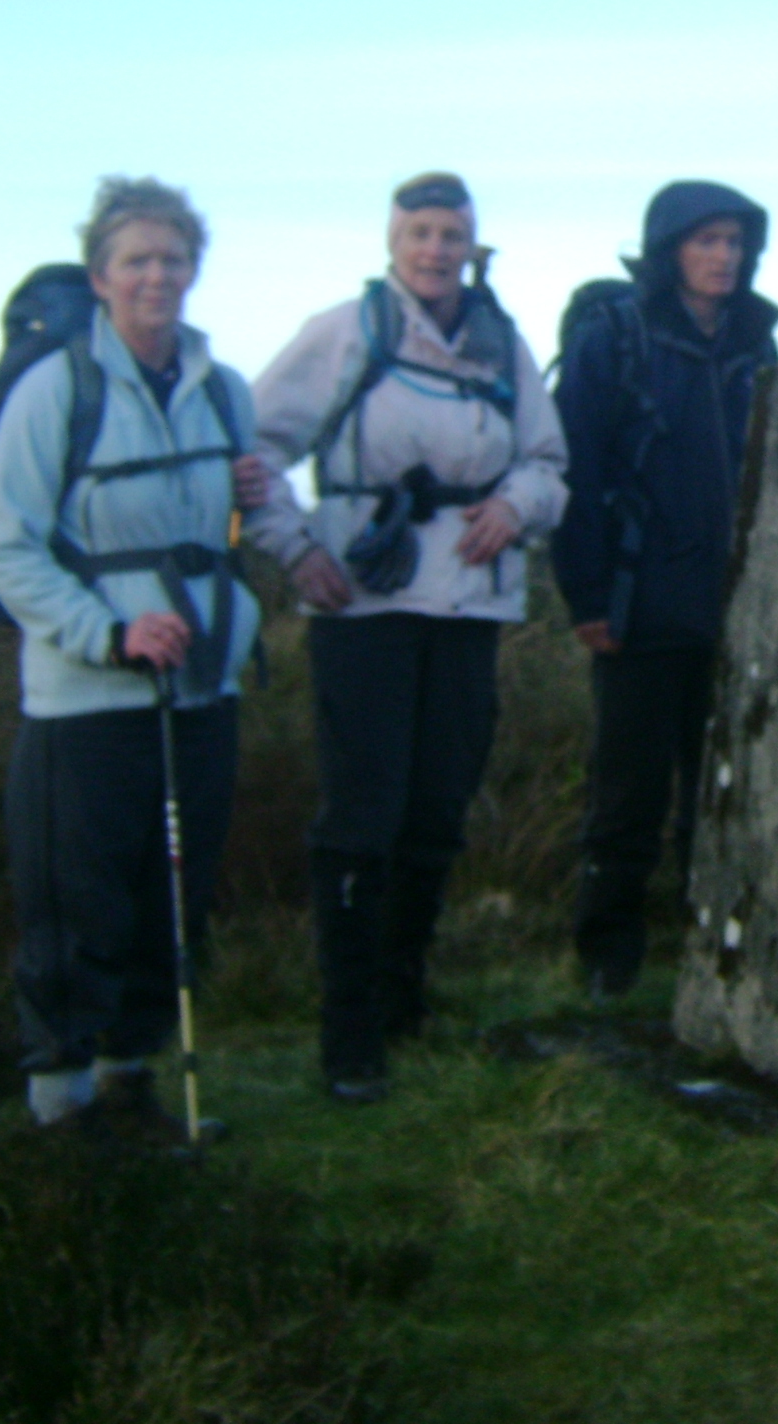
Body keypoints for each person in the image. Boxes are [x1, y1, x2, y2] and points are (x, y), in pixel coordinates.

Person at [246, 172, 567, 1101]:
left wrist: (516, 505)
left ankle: (403, 1001)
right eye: (419, 232)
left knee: (436, 813)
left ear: (473, 244)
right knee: (362, 819)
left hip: (471, 606)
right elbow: (254, 453)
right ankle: (348, 1038)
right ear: (392, 243)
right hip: (364, 607)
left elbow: (550, 461)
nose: (435, 249)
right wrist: (295, 548)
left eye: (451, 234)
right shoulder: (345, 334)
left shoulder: (505, 344)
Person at [0, 175, 269, 1142]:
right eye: (136, 260)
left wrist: (249, 498)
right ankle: (59, 1110)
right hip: (84, 699)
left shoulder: (222, 389)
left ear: (194, 269)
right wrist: (107, 631)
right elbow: (8, 547)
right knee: (77, 901)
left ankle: (131, 1079)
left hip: (200, 688)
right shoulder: (56, 389)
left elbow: (226, 528)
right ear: (99, 277)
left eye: (172, 258)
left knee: (171, 894)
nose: (157, 276)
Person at [552, 181, 778, 1000]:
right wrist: (585, 596)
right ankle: (608, 958)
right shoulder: (614, 337)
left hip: (737, 604)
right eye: (707, 241)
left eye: (736, 242)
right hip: (638, 600)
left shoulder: (757, 341)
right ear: (670, 250)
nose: (726, 257)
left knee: (724, 787)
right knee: (629, 790)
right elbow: (571, 463)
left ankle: (711, 943)